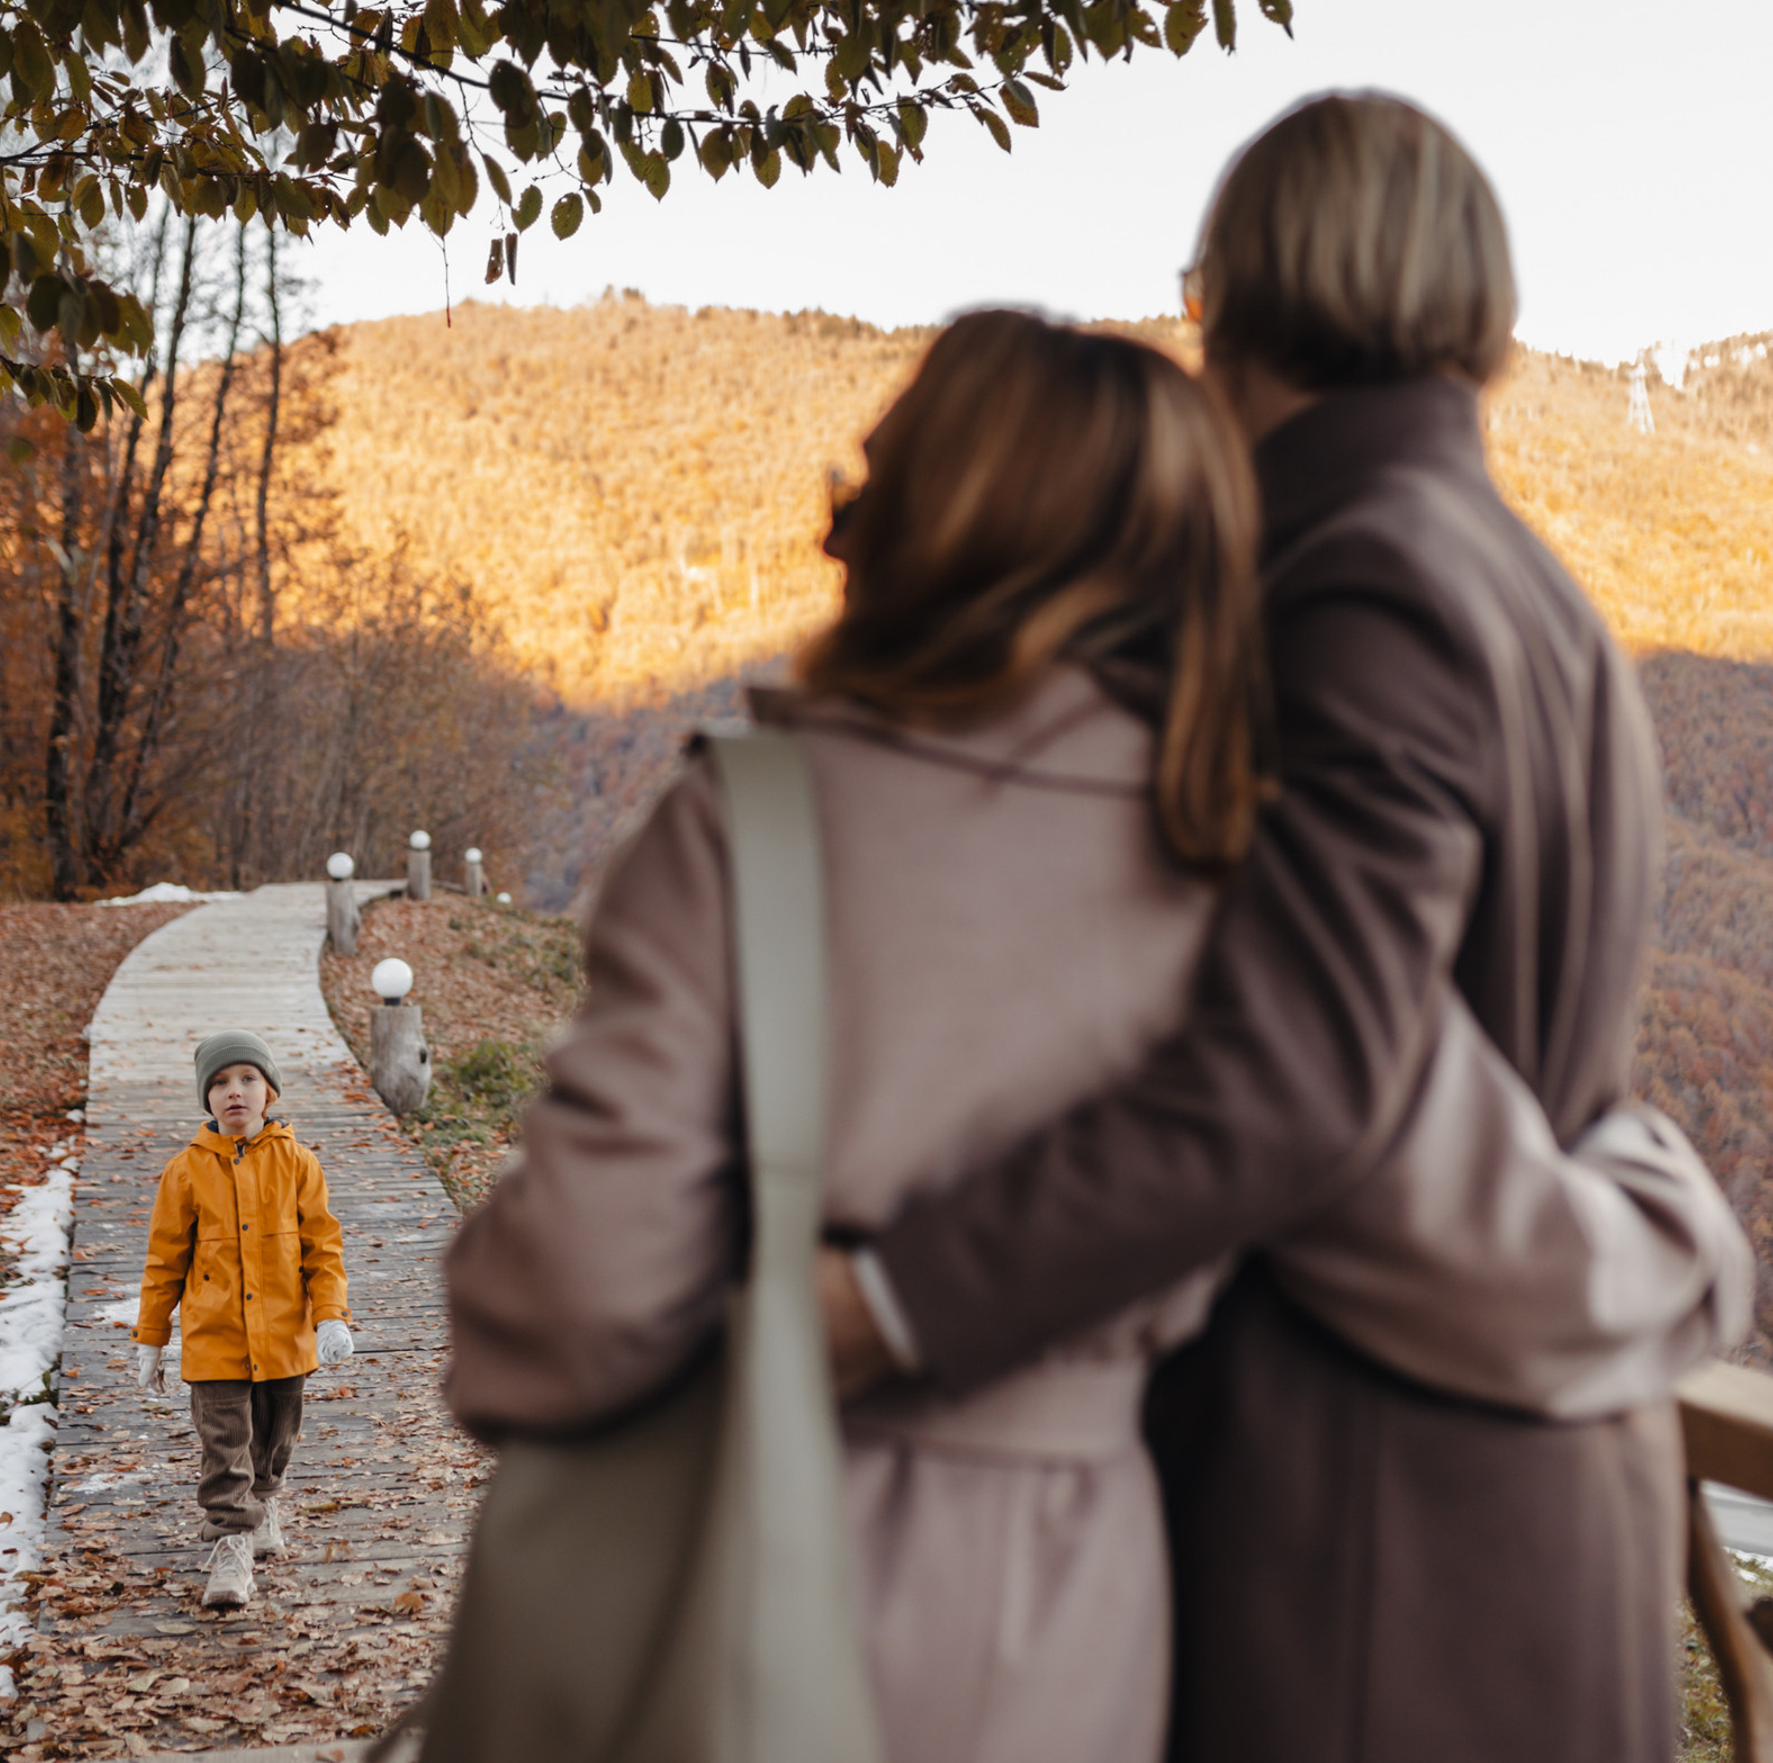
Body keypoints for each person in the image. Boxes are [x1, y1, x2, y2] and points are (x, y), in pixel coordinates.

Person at [440, 310, 1746, 1762]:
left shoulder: (751, 828)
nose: (837, 526)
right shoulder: (1232, 867)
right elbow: (1493, 1238)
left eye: (864, 487)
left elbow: (562, 1302)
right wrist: (1673, 1209)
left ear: (928, 527)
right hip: (1076, 1611)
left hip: (738, 1557)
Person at [820, 94, 1728, 1762]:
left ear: (1240, 288)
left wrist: (887, 1304)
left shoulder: (1351, 579)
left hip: (1372, 1515)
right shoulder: (1543, 596)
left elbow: (1293, 1080)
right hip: (1522, 1469)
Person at [132, 1029, 354, 1612]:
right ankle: (231, 1542)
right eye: (221, 1082)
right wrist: (152, 1338)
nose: (236, 1091)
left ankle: (266, 1500)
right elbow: (164, 1261)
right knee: (224, 1445)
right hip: (216, 1338)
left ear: (270, 1092)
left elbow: (322, 1248)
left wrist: (330, 1316)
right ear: (206, 1100)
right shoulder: (185, 1172)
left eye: (248, 1079)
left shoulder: (298, 1163)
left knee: (276, 1436)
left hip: (284, 1334)